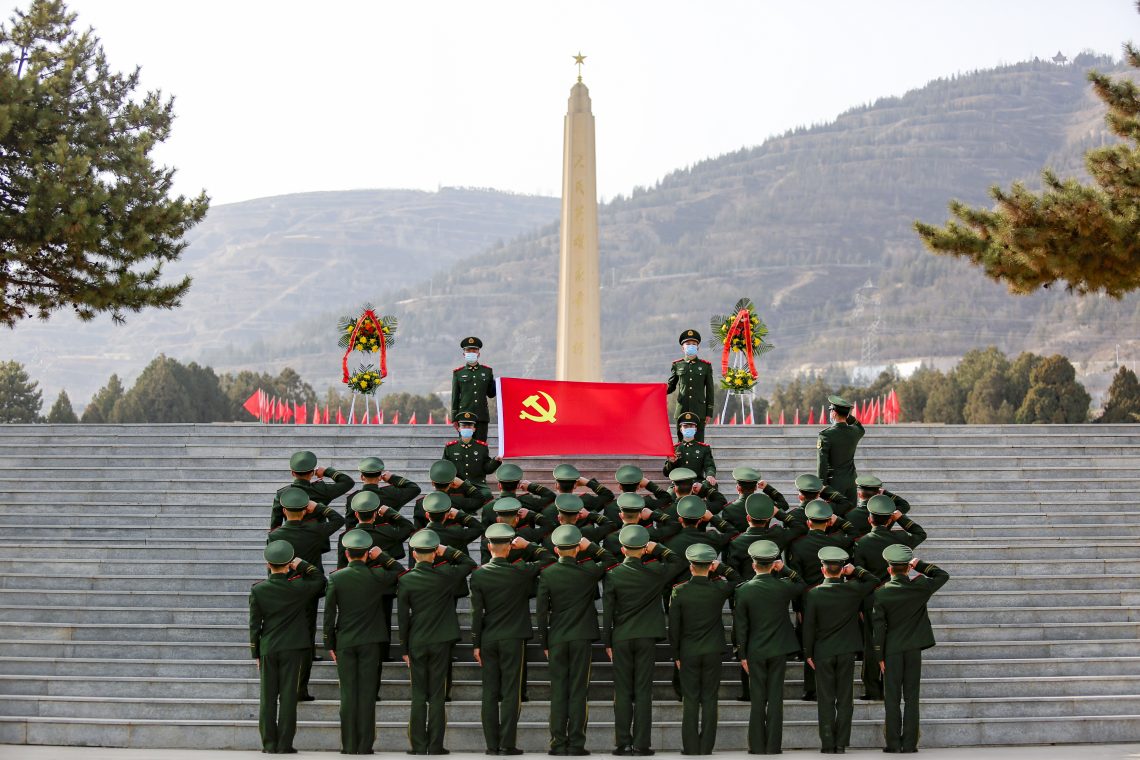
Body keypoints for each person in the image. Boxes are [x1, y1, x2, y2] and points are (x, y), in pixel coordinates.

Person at [602, 525, 687, 756]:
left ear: (622, 549)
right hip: (646, 636)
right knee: (642, 691)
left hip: (621, 637)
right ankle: (641, 744)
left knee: (622, 691)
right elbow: (679, 561)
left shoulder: (613, 574)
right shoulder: (656, 570)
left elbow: (608, 611)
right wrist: (657, 548)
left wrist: (607, 641)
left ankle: (623, 743)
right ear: (644, 549)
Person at [470, 523, 550, 755]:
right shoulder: (521, 570)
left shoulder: (478, 575)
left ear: (488, 546)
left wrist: (475, 643)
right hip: (513, 638)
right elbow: (547, 559)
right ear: (510, 547)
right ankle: (507, 744)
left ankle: (491, 745)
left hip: (488, 638)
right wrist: (529, 546)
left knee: (490, 692)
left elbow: (477, 613)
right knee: (511, 692)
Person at [537, 524, 616, 756]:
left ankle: (557, 743)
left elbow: (542, 612)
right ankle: (577, 744)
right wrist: (591, 546)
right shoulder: (588, 570)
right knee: (579, 691)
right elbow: (611, 560)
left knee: (559, 691)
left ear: (556, 548)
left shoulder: (547, 573)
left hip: (557, 638)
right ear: (576, 548)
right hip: (581, 637)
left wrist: (544, 642)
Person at [398, 529, 478, 756]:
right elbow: (469, 562)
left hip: (417, 640)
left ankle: (418, 746)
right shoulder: (445, 573)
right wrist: (447, 550)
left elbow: (403, 618)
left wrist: (403, 648)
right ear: (433, 554)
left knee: (418, 695)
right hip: (441, 640)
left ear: (414, 555)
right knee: (437, 695)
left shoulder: (406, 580)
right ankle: (435, 745)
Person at [323, 530, 402, 755]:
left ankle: (349, 745)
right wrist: (382, 556)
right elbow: (399, 571)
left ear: (347, 554)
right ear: (366, 555)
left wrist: (330, 643)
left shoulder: (336, 577)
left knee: (348, 694)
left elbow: (329, 614)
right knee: (367, 694)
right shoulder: (376, 576)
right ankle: (365, 745)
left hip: (346, 641)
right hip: (371, 641)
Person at [723, 492, 805, 702]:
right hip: (774, 595)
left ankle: (749, 689)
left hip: (745, 596)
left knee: (744, 638)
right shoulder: (776, 537)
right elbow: (799, 527)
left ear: (748, 518)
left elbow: (732, 574)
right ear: (769, 518)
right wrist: (779, 512)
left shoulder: (737, 543)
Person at [249, 540, 327, 755]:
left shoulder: (259, 590)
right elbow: (320, 579)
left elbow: (254, 625)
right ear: (287, 564)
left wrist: (255, 652)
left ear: (268, 564)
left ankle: (268, 744)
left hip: (269, 647)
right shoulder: (299, 588)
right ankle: (284, 744)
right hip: (295, 647)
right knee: (288, 697)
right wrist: (301, 564)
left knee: (268, 698)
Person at [872, 545, 950, 754]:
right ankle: (909, 744)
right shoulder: (921, 586)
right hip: (914, 649)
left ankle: (893, 743)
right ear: (908, 568)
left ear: (889, 570)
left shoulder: (882, 594)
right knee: (912, 697)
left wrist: (878, 655)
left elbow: (878, 628)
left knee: (892, 698)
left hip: (892, 651)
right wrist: (920, 565)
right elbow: (943, 575)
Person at [270, 486, 345, 701]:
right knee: (306, 637)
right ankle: (299, 689)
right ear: (305, 510)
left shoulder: (275, 535)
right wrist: (318, 507)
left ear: (284, 511)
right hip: (309, 588)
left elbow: (272, 564)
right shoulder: (315, 530)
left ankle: (283, 684)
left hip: (284, 589)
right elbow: (338, 520)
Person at [733, 540, 806, 755]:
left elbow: (741, 627)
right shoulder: (782, 586)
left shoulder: (743, 590)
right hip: (778, 649)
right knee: (775, 698)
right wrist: (784, 568)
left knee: (758, 699)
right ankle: (773, 746)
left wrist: (742, 653)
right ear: (772, 564)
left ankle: (757, 745)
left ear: (754, 565)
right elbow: (801, 583)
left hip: (755, 650)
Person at [802, 546, 878, 755]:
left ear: (823, 569)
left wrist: (807, 652)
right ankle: (841, 743)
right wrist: (855, 571)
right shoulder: (852, 589)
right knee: (845, 698)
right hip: (846, 650)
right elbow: (872, 581)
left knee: (825, 698)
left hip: (823, 651)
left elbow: (808, 626)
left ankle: (827, 743)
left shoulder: (814, 594)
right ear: (842, 569)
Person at [852, 495, 928, 701]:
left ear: (869, 520)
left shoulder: (861, 544)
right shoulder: (900, 539)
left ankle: (872, 688)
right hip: (898, 598)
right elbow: (920, 533)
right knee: (893, 642)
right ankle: (890, 686)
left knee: (872, 644)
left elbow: (857, 576)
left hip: (871, 599)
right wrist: (900, 517)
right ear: (890, 519)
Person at [668, 543, 740, 755]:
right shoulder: (718, 588)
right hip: (712, 650)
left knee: (690, 699)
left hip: (688, 651)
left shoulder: (679, 591)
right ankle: (706, 746)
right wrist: (720, 568)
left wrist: (676, 654)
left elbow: (674, 628)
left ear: (691, 567)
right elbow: (737, 580)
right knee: (709, 698)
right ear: (709, 566)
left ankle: (690, 747)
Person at [785, 499, 856, 702]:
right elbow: (852, 533)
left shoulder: (798, 545)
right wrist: (838, 519)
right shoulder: (836, 541)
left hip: (809, 598)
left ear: (808, 523)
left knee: (811, 643)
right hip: (837, 599)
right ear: (828, 523)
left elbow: (796, 578)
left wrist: (797, 606)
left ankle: (811, 687)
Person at [270, 450, 355, 531]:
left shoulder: (282, 494)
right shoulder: (322, 490)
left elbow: (275, 527)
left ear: (292, 473)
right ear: (312, 473)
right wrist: (327, 471)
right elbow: (348, 482)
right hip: (319, 542)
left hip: (293, 543)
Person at [344, 455, 422, 531]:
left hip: (363, 541)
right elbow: (414, 488)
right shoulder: (392, 493)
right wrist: (392, 478)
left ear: (362, 477)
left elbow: (349, 527)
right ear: (380, 477)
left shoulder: (352, 498)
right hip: (389, 541)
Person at [667, 329, 714, 442]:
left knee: (698, 441)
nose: (691, 346)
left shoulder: (705, 366)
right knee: (681, 443)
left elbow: (710, 391)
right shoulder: (677, 365)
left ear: (698, 347)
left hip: (699, 410)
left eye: (694, 344)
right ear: (683, 347)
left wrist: (709, 413)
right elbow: (671, 386)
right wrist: (657, 390)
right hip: (682, 409)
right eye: (688, 344)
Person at [817, 395, 865, 504]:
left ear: (833, 413)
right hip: (851, 481)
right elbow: (861, 427)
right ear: (847, 414)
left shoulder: (826, 435)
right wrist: (848, 417)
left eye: (830, 411)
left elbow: (822, 462)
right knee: (850, 514)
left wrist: (821, 485)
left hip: (834, 483)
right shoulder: (855, 432)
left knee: (834, 517)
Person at [443, 411, 502, 501]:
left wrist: (496, 461)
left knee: (487, 496)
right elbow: (445, 468)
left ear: (474, 429)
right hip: (457, 485)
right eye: (463, 426)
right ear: (458, 428)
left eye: (469, 426)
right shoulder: (450, 447)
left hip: (477, 485)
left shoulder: (482, 447)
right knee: (452, 497)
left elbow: (486, 469)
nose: (467, 428)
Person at [413, 460, 487, 528]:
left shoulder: (420, 503)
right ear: (451, 483)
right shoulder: (458, 501)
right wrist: (464, 484)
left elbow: (417, 530)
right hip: (454, 539)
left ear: (432, 483)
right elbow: (480, 500)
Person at [451, 335, 496, 442]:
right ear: (464, 354)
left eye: (474, 350)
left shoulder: (487, 372)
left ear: (478, 353)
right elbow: (455, 396)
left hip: (481, 415)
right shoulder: (458, 373)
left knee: (481, 446)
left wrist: (497, 383)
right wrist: (454, 417)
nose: (471, 352)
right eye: (468, 350)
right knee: (465, 446)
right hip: (464, 415)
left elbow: (491, 394)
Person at [720, 467, 791, 534]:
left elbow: (725, 532)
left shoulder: (728, 509)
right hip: (762, 544)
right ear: (756, 488)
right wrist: (768, 488)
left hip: (739, 545)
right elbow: (784, 505)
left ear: (738, 488)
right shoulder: (765, 504)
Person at [663, 412, 717, 483]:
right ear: (681, 429)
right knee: (669, 494)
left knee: (713, 489)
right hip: (678, 484)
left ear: (695, 429)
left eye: (691, 426)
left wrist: (710, 475)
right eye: (685, 426)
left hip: (697, 483)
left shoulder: (704, 448)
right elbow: (666, 473)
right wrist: (671, 463)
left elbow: (709, 466)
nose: (688, 428)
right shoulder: (674, 449)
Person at [547, 464, 615, 518]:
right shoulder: (586, 501)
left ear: (556, 486)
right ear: (575, 486)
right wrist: (588, 482)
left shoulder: (548, 507)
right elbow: (608, 495)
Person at [609, 464, 674, 518]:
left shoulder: (611, 507)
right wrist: (648, 484)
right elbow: (667, 498)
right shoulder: (647, 502)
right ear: (638, 487)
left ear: (620, 487)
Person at [662, 468, 727, 517]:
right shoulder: (703, 506)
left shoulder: (665, 509)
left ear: (674, 489)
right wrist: (705, 489)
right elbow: (721, 501)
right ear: (692, 489)